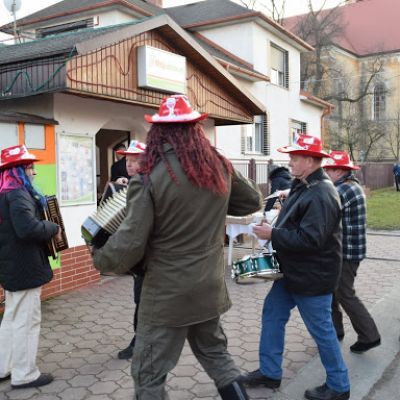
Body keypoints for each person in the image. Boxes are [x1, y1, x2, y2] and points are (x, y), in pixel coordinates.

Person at [92, 94, 262, 400]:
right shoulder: (216, 168)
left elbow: (130, 244)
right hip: (208, 287)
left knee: (148, 373)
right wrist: (218, 167)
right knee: (217, 357)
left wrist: (100, 258)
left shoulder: (147, 179)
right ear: (195, 128)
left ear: (158, 132)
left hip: (166, 294)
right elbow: (252, 201)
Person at [241, 134, 350, 400]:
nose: (289, 162)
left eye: (295, 157)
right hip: (293, 271)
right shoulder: (304, 185)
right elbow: (295, 221)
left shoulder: (322, 193)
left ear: (311, 161)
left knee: (322, 330)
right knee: (272, 314)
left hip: (312, 276)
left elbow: (311, 239)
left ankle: (339, 386)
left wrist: (272, 235)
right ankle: (270, 373)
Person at [0, 145, 61, 389]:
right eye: (30, 167)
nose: (34, 172)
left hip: (12, 266)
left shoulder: (5, 194)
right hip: (24, 266)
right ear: (20, 171)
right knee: (27, 319)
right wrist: (53, 227)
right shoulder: (17, 194)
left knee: (12, 318)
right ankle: (25, 374)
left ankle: (4, 367)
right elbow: (27, 229)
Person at [323, 150, 381, 353]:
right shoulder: (348, 186)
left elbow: (323, 209)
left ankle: (369, 336)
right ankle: (335, 330)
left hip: (347, 253)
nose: (325, 173)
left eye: (328, 169)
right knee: (331, 292)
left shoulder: (344, 189)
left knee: (344, 293)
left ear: (339, 170)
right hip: (345, 251)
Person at [113, 140, 146, 360]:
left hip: (148, 256)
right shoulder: (132, 184)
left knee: (143, 300)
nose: (129, 165)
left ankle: (140, 342)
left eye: (135, 160)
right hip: (138, 258)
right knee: (139, 299)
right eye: (127, 160)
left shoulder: (148, 186)